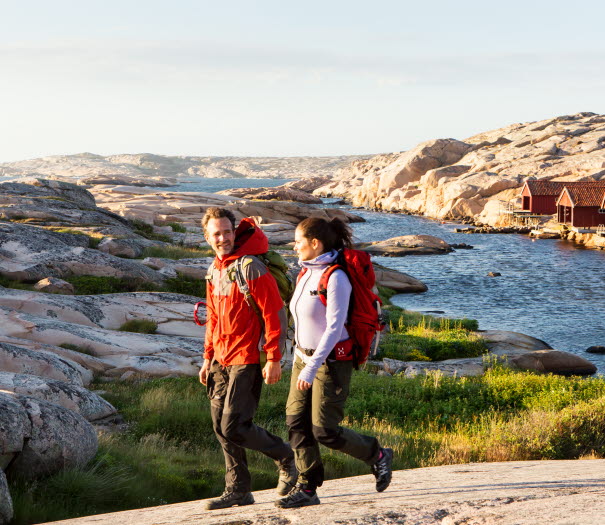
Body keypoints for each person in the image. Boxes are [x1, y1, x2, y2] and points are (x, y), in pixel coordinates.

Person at [275, 217, 393, 509]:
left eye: (298, 241)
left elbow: (334, 326)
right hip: (304, 359)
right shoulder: (305, 274)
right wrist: (298, 358)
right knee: (295, 422)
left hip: (330, 362)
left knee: (323, 430)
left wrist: (313, 365)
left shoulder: (336, 276)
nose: (294, 246)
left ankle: (377, 454)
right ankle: (307, 487)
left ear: (315, 244)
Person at [198, 207, 297, 510]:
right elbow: (213, 318)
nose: (223, 238)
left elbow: (274, 313)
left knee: (234, 425)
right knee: (219, 425)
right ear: (207, 236)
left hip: (248, 357)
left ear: (234, 232)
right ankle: (238, 489)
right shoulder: (215, 269)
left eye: (227, 232)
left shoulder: (250, 267)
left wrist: (274, 358)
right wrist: (206, 358)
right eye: (216, 233)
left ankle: (285, 455)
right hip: (220, 359)